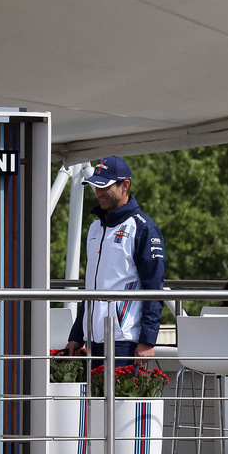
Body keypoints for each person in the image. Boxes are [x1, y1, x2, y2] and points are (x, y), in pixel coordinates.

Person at [64, 156, 166, 364]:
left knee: (118, 398)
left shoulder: (144, 227)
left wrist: (148, 340)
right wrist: (76, 335)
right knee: (93, 397)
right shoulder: (94, 227)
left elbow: (154, 288)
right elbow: (91, 287)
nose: (98, 193)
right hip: (91, 337)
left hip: (125, 339)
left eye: (105, 186)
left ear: (125, 186)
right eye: (95, 186)